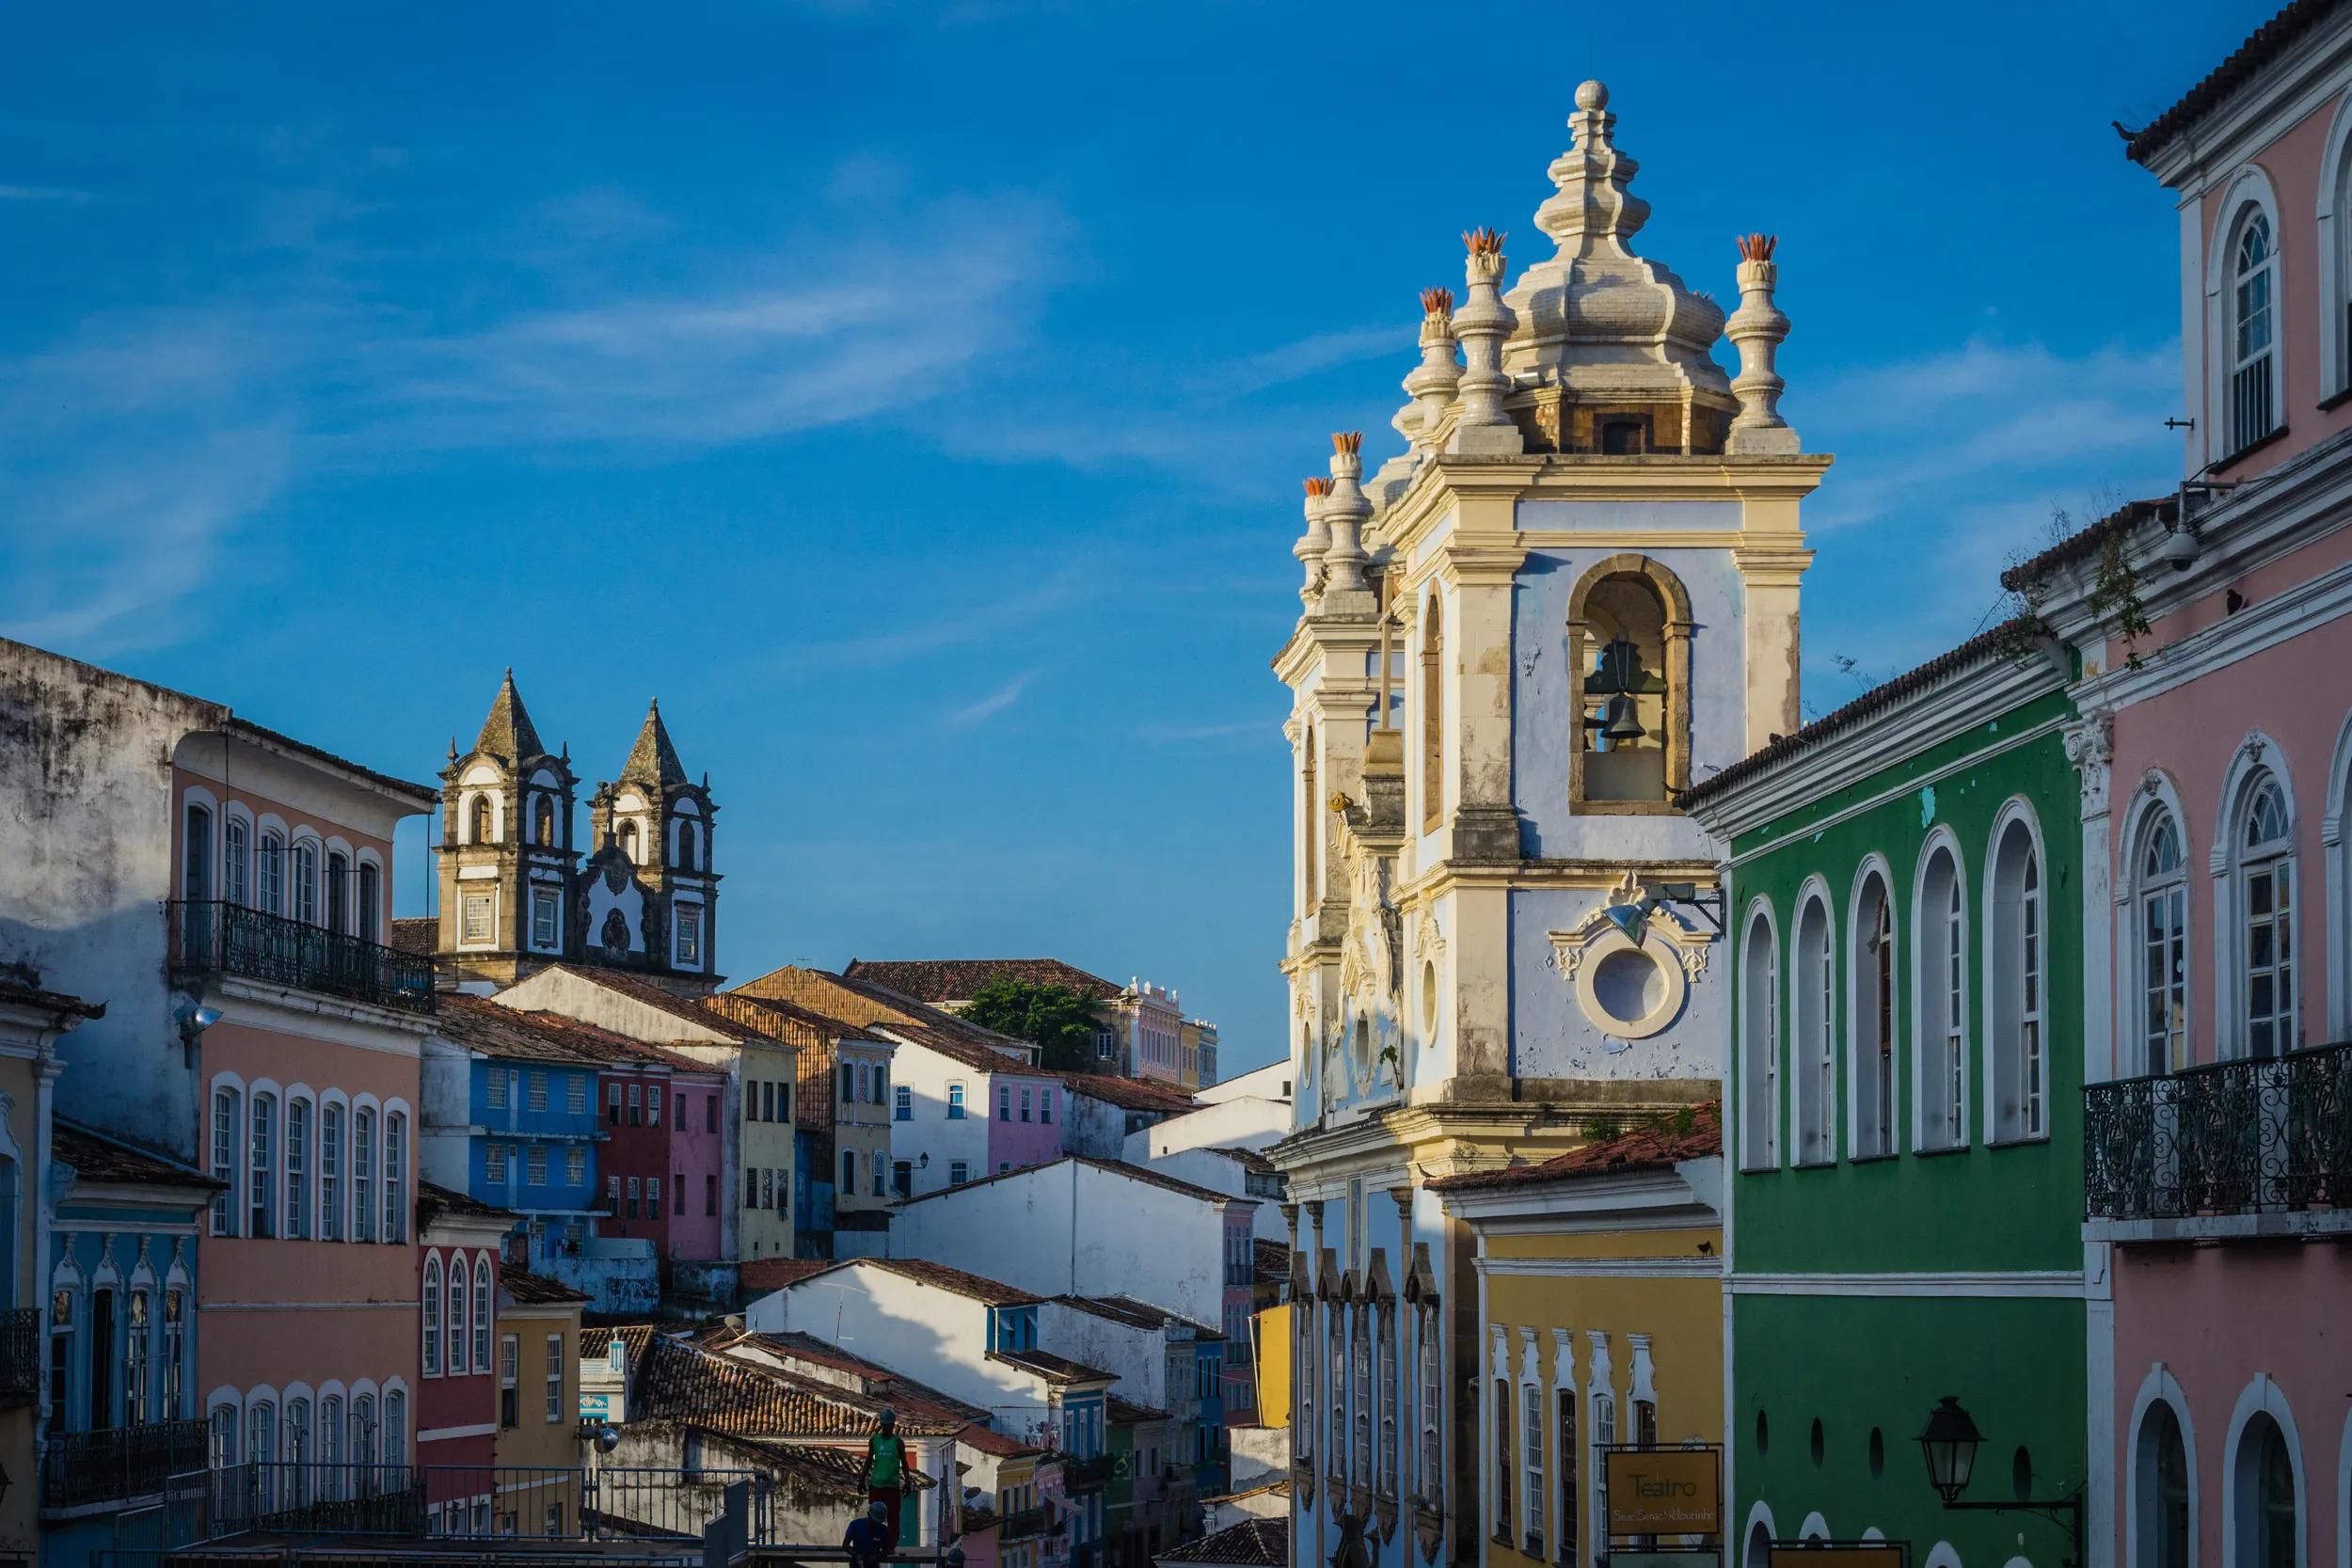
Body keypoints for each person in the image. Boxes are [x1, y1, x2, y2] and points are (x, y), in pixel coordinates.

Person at [866, 1409, 908, 1546]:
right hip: (876, 1485)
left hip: (892, 1486)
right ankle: (872, 1541)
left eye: (890, 1425)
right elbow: (868, 1460)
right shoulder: (874, 1441)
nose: (888, 1428)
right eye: (886, 1425)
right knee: (873, 1517)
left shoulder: (898, 1442)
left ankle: (890, 1544)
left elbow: (905, 1463)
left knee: (893, 1517)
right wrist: (861, 1478)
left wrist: (908, 1481)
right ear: (882, 1425)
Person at [844, 1500, 891, 1568]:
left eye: (879, 1522)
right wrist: (856, 1554)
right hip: (856, 1565)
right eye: (874, 1521)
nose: (876, 1524)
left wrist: (876, 1556)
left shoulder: (883, 1529)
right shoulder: (855, 1525)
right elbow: (845, 1546)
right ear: (868, 1514)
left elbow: (885, 1550)